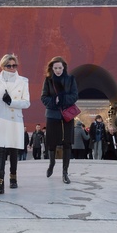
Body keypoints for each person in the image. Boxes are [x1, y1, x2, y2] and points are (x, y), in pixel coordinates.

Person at [0, 53, 30, 193]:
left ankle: (13, 177)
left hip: (14, 119)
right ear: (3, 66)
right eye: (8, 65)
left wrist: (12, 102)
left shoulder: (23, 81)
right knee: (0, 150)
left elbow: (27, 103)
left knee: (13, 149)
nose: (12, 68)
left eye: (14, 65)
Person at [40, 56, 79, 184]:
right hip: (52, 115)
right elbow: (44, 97)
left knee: (67, 143)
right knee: (51, 142)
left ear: (64, 68)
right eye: (55, 68)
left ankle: (65, 172)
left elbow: (75, 96)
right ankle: (52, 163)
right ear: (52, 68)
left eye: (60, 68)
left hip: (67, 116)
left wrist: (62, 99)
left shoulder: (70, 79)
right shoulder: (48, 81)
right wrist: (54, 101)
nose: (57, 70)